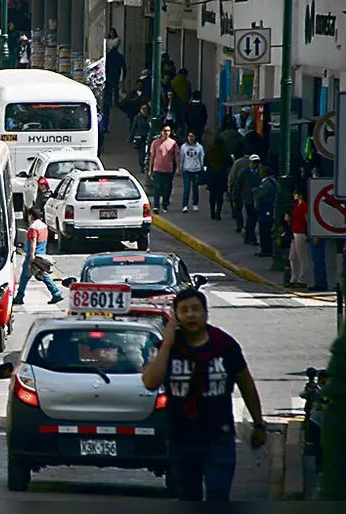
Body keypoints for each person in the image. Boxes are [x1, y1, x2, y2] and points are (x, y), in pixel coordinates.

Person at [141, 288, 267, 501]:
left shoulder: (224, 345)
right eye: (184, 310)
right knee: (188, 496)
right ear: (176, 317)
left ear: (206, 313)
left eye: (196, 309)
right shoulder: (169, 348)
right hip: (181, 439)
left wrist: (258, 423)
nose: (191, 315)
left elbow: (245, 383)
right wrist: (168, 342)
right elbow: (150, 382)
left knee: (218, 493)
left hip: (218, 437)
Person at [11, 207, 63, 306]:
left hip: (34, 255)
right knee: (42, 275)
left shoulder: (33, 228)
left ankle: (19, 297)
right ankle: (56, 293)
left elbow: (33, 241)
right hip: (41, 255)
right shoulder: (44, 226)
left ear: (31, 215)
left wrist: (31, 256)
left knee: (24, 277)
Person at [149, 126, 180, 213]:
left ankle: (165, 205)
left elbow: (176, 156)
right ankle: (156, 206)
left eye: (168, 131)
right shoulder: (155, 143)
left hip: (168, 170)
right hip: (157, 169)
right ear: (161, 132)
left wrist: (178, 167)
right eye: (164, 131)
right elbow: (152, 156)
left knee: (167, 188)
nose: (166, 132)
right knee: (157, 188)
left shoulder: (173, 143)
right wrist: (150, 169)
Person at [236, 154, 263, 246]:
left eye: (257, 162)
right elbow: (239, 185)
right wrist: (236, 196)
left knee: (252, 218)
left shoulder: (260, 172)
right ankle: (252, 238)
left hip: (258, 199)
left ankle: (247, 235)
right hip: (248, 199)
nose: (255, 164)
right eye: (254, 162)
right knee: (252, 218)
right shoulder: (244, 173)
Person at [253, 167, 278, 258]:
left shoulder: (267, 183)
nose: (259, 173)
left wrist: (255, 190)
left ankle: (266, 250)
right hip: (266, 208)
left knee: (265, 229)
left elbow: (261, 193)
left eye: (261, 171)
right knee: (265, 229)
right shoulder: (271, 181)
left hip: (266, 208)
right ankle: (266, 249)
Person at [289, 190, 310, 288]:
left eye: (295, 193)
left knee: (302, 257)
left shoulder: (304, 206)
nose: (293, 195)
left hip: (301, 233)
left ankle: (303, 279)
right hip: (295, 232)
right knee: (292, 257)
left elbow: (307, 220)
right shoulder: (296, 205)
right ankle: (294, 278)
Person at [227, 152, 253, 234]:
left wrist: (230, 186)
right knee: (250, 210)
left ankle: (240, 224)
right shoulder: (256, 163)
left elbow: (232, 175)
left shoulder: (238, 162)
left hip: (238, 188)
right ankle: (248, 227)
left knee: (238, 208)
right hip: (250, 189)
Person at [180, 132, 205, 213]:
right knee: (186, 188)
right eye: (189, 136)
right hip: (187, 170)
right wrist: (180, 167)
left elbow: (202, 158)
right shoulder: (183, 147)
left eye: (192, 136)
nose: (190, 138)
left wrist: (202, 167)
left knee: (195, 188)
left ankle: (195, 204)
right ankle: (185, 205)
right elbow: (181, 158)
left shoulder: (199, 147)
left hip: (196, 170)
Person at [204, 139, 229, 221]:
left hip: (211, 175)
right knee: (220, 196)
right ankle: (218, 213)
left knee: (212, 196)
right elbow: (230, 163)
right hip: (221, 176)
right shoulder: (225, 152)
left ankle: (212, 212)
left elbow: (205, 163)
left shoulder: (209, 152)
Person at [130, 103, 152, 173]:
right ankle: (142, 166)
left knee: (149, 152)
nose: (144, 111)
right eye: (143, 109)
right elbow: (133, 128)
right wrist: (131, 137)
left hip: (148, 137)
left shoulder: (150, 117)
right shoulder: (137, 117)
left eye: (146, 109)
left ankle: (148, 166)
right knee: (141, 153)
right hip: (140, 138)